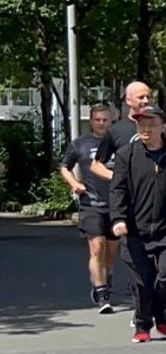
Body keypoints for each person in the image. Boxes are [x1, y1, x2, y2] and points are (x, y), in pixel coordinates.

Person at [108, 104, 166, 343]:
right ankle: (143, 324)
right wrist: (118, 219)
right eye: (141, 124)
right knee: (142, 281)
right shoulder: (127, 154)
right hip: (134, 230)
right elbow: (117, 190)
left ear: (163, 126)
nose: (145, 128)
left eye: (151, 124)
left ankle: (159, 310)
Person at [59, 103, 119, 312]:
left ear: (111, 121)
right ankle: (102, 293)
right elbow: (64, 167)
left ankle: (106, 277)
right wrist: (75, 184)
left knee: (112, 251)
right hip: (91, 203)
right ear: (91, 121)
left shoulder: (118, 142)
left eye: (106, 120)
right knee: (97, 247)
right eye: (98, 120)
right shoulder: (80, 144)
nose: (102, 123)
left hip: (116, 204)